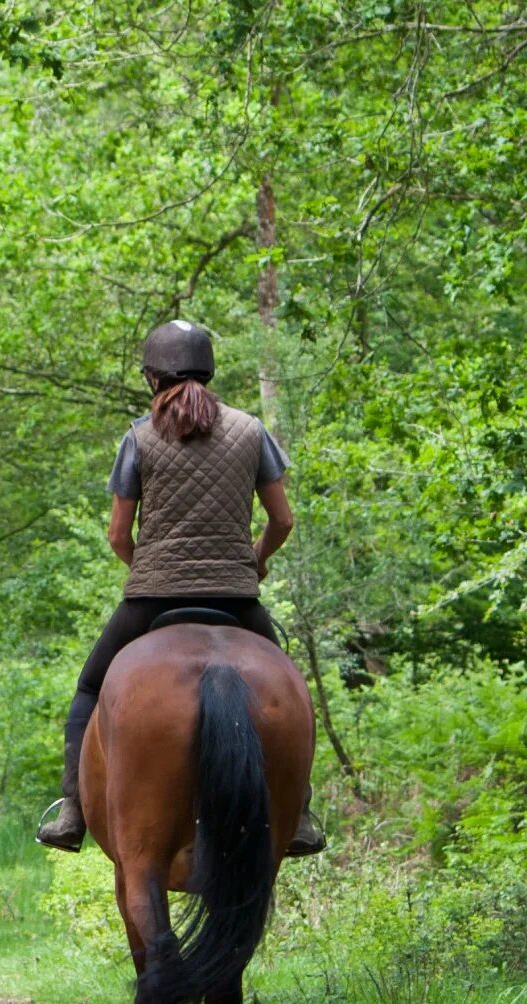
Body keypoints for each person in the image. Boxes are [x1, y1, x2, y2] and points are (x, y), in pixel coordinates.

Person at [35, 320, 326, 856]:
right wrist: (254, 562)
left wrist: (145, 566)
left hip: (152, 600)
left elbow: (118, 533)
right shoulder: (250, 430)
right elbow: (282, 520)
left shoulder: (139, 437)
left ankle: (72, 811)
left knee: (89, 690)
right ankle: (301, 811)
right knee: (290, 693)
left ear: (152, 377)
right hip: (237, 600)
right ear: (209, 372)